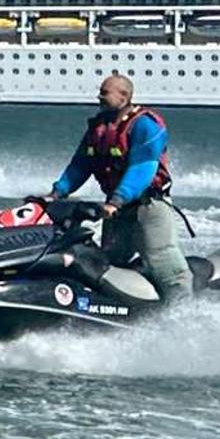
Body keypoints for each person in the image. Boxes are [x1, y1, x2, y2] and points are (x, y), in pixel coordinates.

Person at [45, 74, 193, 303]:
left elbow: (143, 169)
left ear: (123, 97)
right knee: (108, 264)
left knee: (165, 264)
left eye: (105, 93)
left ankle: (185, 312)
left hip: (148, 206)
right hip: (116, 208)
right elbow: (80, 165)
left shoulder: (145, 125)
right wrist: (56, 193)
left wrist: (117, 200)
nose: (99, 96)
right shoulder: (99, 128)